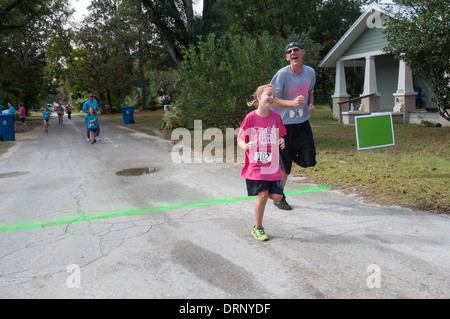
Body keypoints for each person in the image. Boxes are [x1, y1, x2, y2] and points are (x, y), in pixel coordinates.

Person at [270, 42, 317, 210]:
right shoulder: (282, 75)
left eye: (296, 50)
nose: (293, 53)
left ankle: (287, 159)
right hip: (284, 126)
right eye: (289, 52)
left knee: (309, 160)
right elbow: (271, 99)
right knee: (285, 166)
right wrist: (291, 103)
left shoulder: (310, 72)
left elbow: (310, 91)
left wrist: (310, 104)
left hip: (303, 123)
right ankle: (278, 197)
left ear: (303, 52)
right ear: (287, 57)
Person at [237, 84, 286, 241]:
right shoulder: (251, 117)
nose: (272, 97)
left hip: (272, 165)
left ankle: (264, 204)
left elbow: (281, 136)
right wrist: (245, 145)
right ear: (258, 96)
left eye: (274, 95)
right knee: (263, 195)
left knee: (277, 197)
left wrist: (281, 140)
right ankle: (258, 227)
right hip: (256, 164)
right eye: (269, 94)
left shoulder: (276, 117)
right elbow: (240, 138)